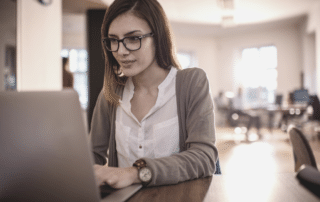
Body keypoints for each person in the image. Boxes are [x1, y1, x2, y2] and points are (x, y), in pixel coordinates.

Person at [90, 0, 219, 189]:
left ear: (158, 37)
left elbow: (204, 158)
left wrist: (136, 172)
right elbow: (91, 157)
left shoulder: (191, 83)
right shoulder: (111, 94)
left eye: (133, 38)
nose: (121, 51)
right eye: (113, 40)